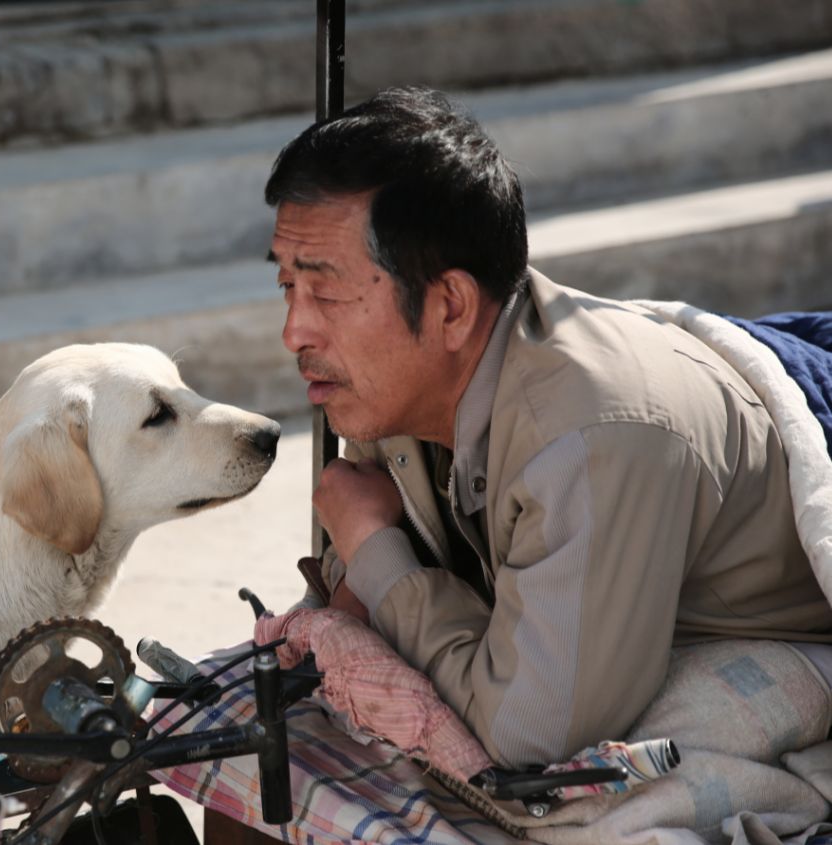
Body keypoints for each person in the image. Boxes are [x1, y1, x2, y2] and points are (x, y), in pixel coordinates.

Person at [266, 86, 832, 769]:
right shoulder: (403, 389)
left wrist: (377, 550)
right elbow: (353, 599)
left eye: (324, 292)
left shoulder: (586, 434)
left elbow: (531, 732)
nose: (294, 329)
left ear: (450, 305)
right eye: (288, 288)